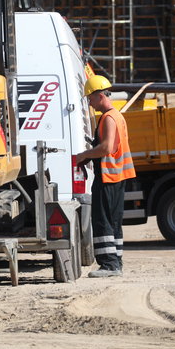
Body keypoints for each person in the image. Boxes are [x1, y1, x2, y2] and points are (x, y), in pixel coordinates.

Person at [73, 75, 136, 277]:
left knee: (103, 220)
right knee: (114, 220)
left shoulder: (108, 118)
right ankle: (115, 261)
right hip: (118, 176)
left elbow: (107, 147)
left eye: (90, 98)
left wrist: (83, 155)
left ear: (100, 96)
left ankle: (109, 265)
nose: (89, 102)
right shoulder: (117, 115)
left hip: (108, 177)